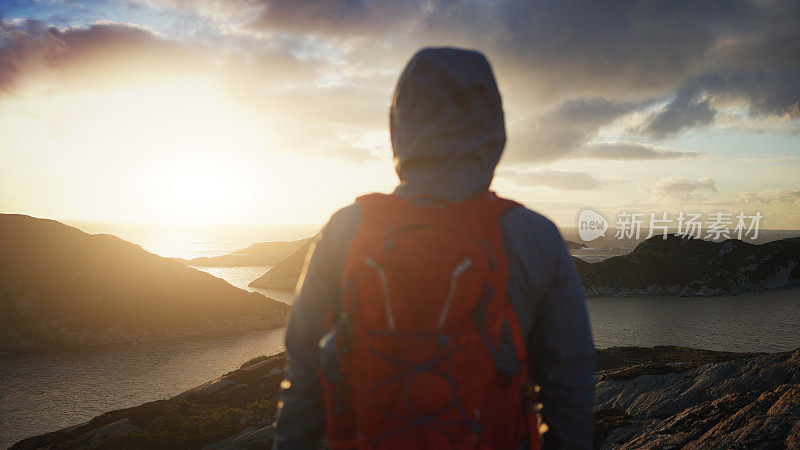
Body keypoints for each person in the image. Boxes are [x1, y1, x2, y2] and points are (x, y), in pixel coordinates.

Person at [274, 47, 595, 449]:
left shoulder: (347, 229)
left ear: (398, 123)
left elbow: (304, 375)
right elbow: (569, 392)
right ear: (494, 127)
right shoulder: (533, 236)